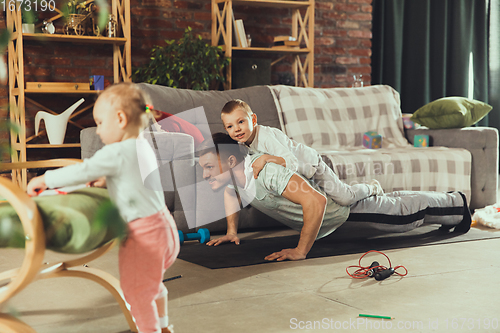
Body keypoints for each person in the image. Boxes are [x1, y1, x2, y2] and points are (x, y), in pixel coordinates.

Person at [27, 83, 178, 333]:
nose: (97, 131)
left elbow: (83, 170)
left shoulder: (116, 151)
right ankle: (163, 327)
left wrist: (45, 179)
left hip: (144, 236)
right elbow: (134, 178)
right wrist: (108, 179)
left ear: (120, 119)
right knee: (153, 285)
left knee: (137, 293)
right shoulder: (142, 145)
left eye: (99, 122)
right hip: (165, 230)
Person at [200, 133, 471, 261]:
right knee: (394, 202)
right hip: (329, 224)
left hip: (343, 215)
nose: (204, 175)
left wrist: (300, 251)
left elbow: (315, 202)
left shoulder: (266, 173)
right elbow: (229, 193)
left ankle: (456, 203)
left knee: (405, 214)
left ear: (232, 160)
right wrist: (232, 231)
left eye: (209, 167)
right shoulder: (236, 177)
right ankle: (374, 189)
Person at [220, 99, 384, 207]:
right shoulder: (241, 143)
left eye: (241, 121)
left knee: (345, 198)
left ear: (253, 120)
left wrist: (265, 158)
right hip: (298, 176)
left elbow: (292, 162)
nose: (237, 129)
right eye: (230, 126)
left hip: (311, 165)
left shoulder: (265, 136)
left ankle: (370, 188)